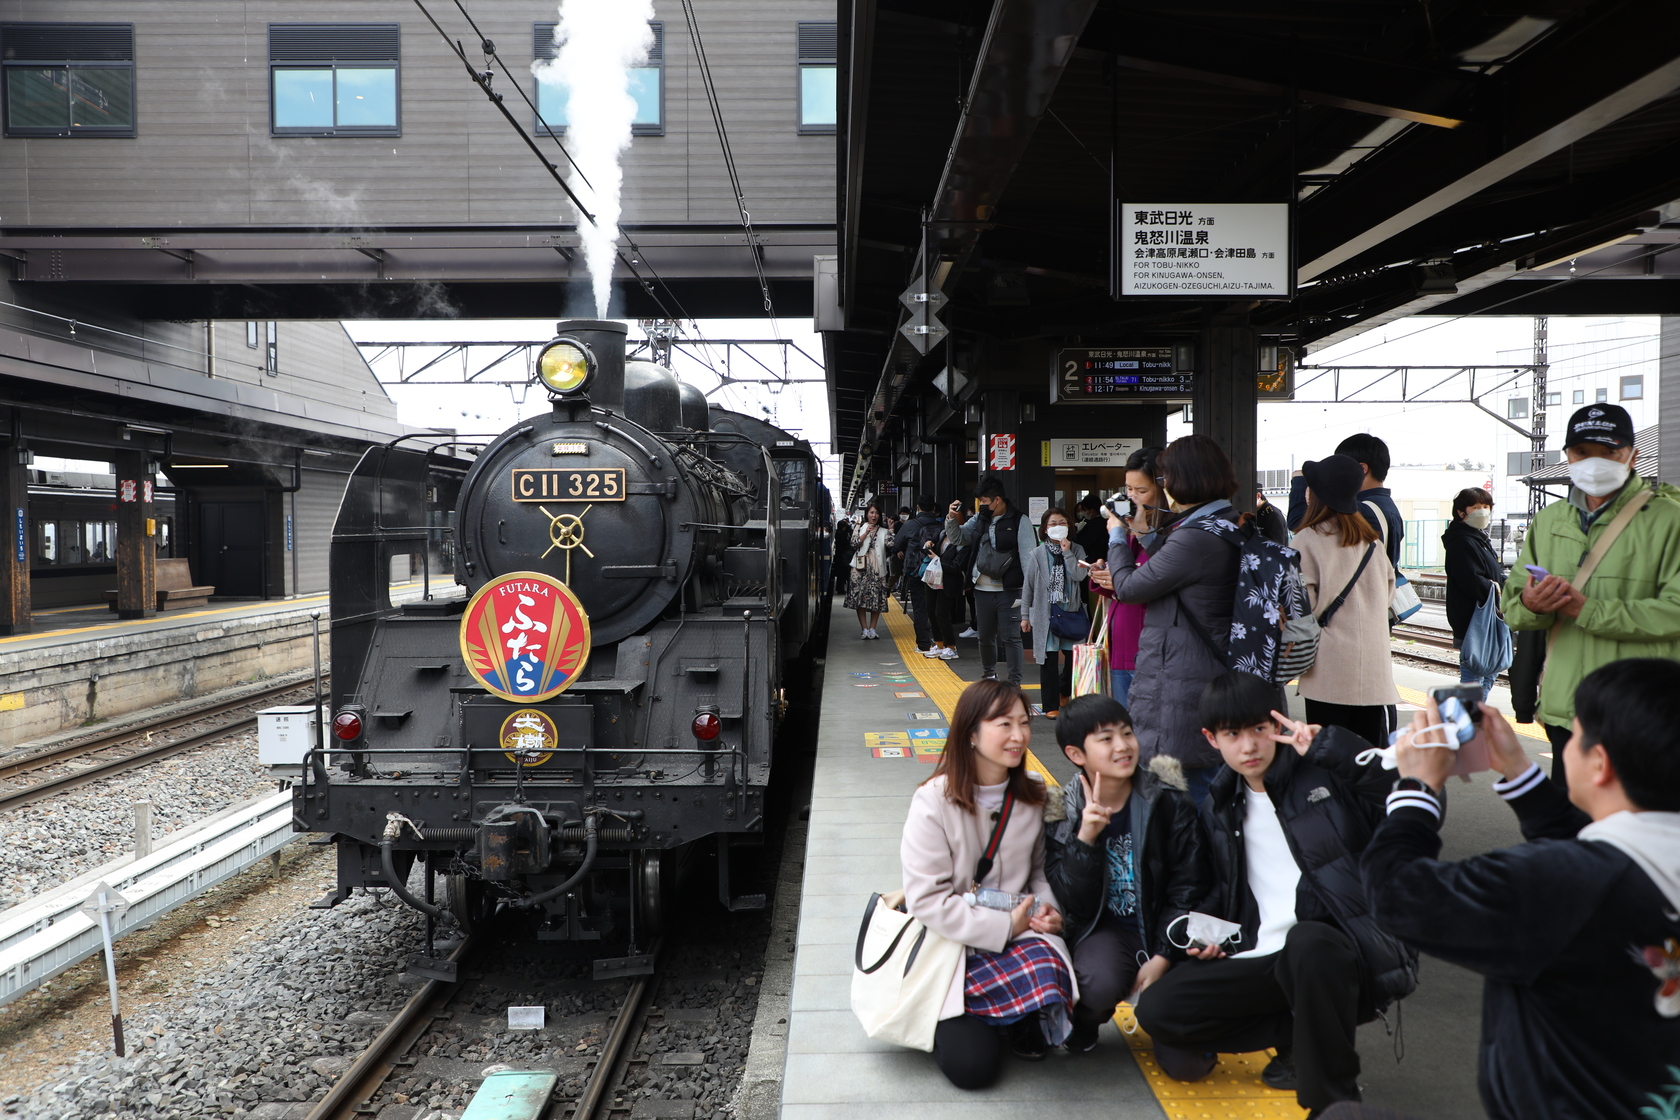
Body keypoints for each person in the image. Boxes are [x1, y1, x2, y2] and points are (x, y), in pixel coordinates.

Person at [1362, 658, 1680, 1120]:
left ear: (1599, 763)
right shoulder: (1610, 869)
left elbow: (1397, 893)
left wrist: (1417, 790)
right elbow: (1597, 858)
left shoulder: (1560, 883)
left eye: (1573, 735)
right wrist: (1519, 773)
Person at [1135, 671, 1417, 1115]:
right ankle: (1300, 1034)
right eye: (1232, 734)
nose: (1249, 746)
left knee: (1308, 941)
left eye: (1258, 729)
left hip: (1339, 953)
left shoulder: (1325, 774)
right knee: (1158, 1009)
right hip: (1265, 955)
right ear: (1212, 739)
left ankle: (1335, 1104)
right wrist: (1196, 937)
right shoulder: (1220, 804)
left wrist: (1335, 748)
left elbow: (1407, 796)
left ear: (1278, 725)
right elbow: (1221, 888)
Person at [900, 679, 1074, 1088]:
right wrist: (1004, 926)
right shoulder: (933, 800)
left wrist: (1049, 912)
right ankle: (989, 1015)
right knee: (972, 1069)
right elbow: (927, 899)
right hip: (954, 944)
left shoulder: (1033, 791)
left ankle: (1015, 1015)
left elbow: (1038, 873)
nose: (1019, 735)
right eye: (1004, 724)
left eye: (1023, 722)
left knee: (1053, 966)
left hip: (1022, 936)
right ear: (972, 734)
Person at [1504, 403, 1680, 790]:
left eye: (1608, 451)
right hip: (1566, 711)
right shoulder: (1549, 520)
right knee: (1571, 821)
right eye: (1582, 451)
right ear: (1568, 455)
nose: (1594, 462)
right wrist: (1531, 606)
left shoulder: (1670, 519)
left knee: (1637, 822)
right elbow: (1513, 605)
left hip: (1643, 714)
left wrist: (1589, 610)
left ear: (1632, 455)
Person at [1041, 694, 1211, 1056]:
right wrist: (1086, 839)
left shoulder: (1167, 800)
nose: (1123, 746)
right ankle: (1087, 1018)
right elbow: (1073, 903)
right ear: (1076, 754)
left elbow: (1190, 884)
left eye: (1127, 733)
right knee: (1098, 982)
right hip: (1108, 932)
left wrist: (1164, 954)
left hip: (1168, 928)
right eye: (1106, 738)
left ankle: (1164, 1015)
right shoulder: (1062, 812)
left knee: (1189, 1065)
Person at [1101, 434, 1242, 807]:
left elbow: (1129, 587)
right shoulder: (1223, 522)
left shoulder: (1195, 537)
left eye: (1164, 477)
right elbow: (1176, 570)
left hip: (1186, 679)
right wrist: (1145, 534)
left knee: (1186, 798)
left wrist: (1117, 537)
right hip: (1209, 671)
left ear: (1183, 478)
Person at [1292, 454, 1399, 750]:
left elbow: (1301, 606)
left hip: (1329, 671)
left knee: (1330, 759)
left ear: (1316, 494)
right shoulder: (1372, 542)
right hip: (1374, 671)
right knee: (1368, 759)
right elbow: (1388, 595)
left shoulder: (1306, 540)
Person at [1090, 446, 1165, 705]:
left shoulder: (1170, 534)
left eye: (1141, 491)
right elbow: (1125, 580)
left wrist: (1123, 579)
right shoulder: (1132, 529)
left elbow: (1158, 582)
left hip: (1148, 650)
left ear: (1165, 489)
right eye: (1129, 489)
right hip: (1119, 646)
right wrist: (1104, 575)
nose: (1132, 497)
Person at [949, 477, 1037, 685]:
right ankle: (989, 674)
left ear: (997, 500)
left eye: (984, 501)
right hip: (982, 589)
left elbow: (1029, 559)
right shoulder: (979, 519)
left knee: (1011, 637)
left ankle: (1014, 682)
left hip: (1011, 589)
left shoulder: (1020, 521)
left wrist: (1029, 594)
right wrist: (951, 518)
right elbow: (958, 538)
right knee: (985, 636)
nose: (981, 506)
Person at [1289, 433, 1402, 568]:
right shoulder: (1390, 507)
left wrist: (1300, 481)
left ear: (1362, 469)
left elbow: (1298, 523)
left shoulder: (1360, 510)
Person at [1020, 507, 1088, 718]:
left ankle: (1064, 691)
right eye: (1052, 524)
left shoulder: (1077, 550)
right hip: (1046, 614)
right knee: (1048, 660)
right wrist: (1025, 616)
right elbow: (1028, 587)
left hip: (1071, 612)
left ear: (1069, 526)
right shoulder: (1037, 554)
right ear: (1044, 529)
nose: (1057, 527)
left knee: (1073, 659)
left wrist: (1067, 552)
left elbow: (1079, 576)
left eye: (1062, 523)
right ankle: (1050, 706)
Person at [1442, 486, 1505, 700]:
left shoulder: (1477, 537)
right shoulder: (1461, 540)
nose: (1483, 511)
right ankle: (1469, 717)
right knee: (1475, 677)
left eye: (1486, 506)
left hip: (1485, 618)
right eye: (1476, 507)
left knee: (1487, 674)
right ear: (1461, 512)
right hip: (1474, 619)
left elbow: (1490, 573)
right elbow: (1471, 580)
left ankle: (1475, 715)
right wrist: (1497, 589)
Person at [894, 496, 943, 654]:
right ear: (933, 509)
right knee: (938, 607)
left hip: (916, 571)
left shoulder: (910, 524)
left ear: (917, 508)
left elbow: (896, 544)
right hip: (937, 571)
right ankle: (941, 643)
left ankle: (924, 644)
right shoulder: (940, 525)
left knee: (920, 608)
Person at [843, 502, 892, 639]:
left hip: (878, 568)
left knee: (877, 600)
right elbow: (854, 543)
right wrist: (866, 533)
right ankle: (864, 629)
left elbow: (891, 544)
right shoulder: (859, 527)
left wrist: (892, 530)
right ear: (867, 514)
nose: (874, 515)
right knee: (860, 599)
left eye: (876, 513)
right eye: (871, 512)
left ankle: (872, 629)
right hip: (860, 569)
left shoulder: (884, 531)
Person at [929, 498, 970, 660]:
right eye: (950, 517)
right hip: (935, 578)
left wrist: (937, 560)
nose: (951, 520)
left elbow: (956, 566)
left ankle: (951, 646)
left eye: (955, 518)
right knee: (932, 612)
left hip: (949, 582)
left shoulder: (963, 543)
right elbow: (933, 545)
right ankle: (939, 644)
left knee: (941, 613)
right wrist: (929, 544)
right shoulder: (942, 534)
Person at [1073, 493, 1109, 563]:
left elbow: (1083, 542)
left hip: (1094, 560)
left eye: (1084, 510)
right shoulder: (1104, 522)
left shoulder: (1095, 524)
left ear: (1091, 511)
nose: (1083, 512)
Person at [831, 515, 854, 596]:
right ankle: (846, 589)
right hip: (845, 557)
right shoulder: (845, 534)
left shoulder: (837, 533)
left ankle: (840, 588)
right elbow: (847, 544)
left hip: (839, 556)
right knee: (846, 573)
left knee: (840, 575)